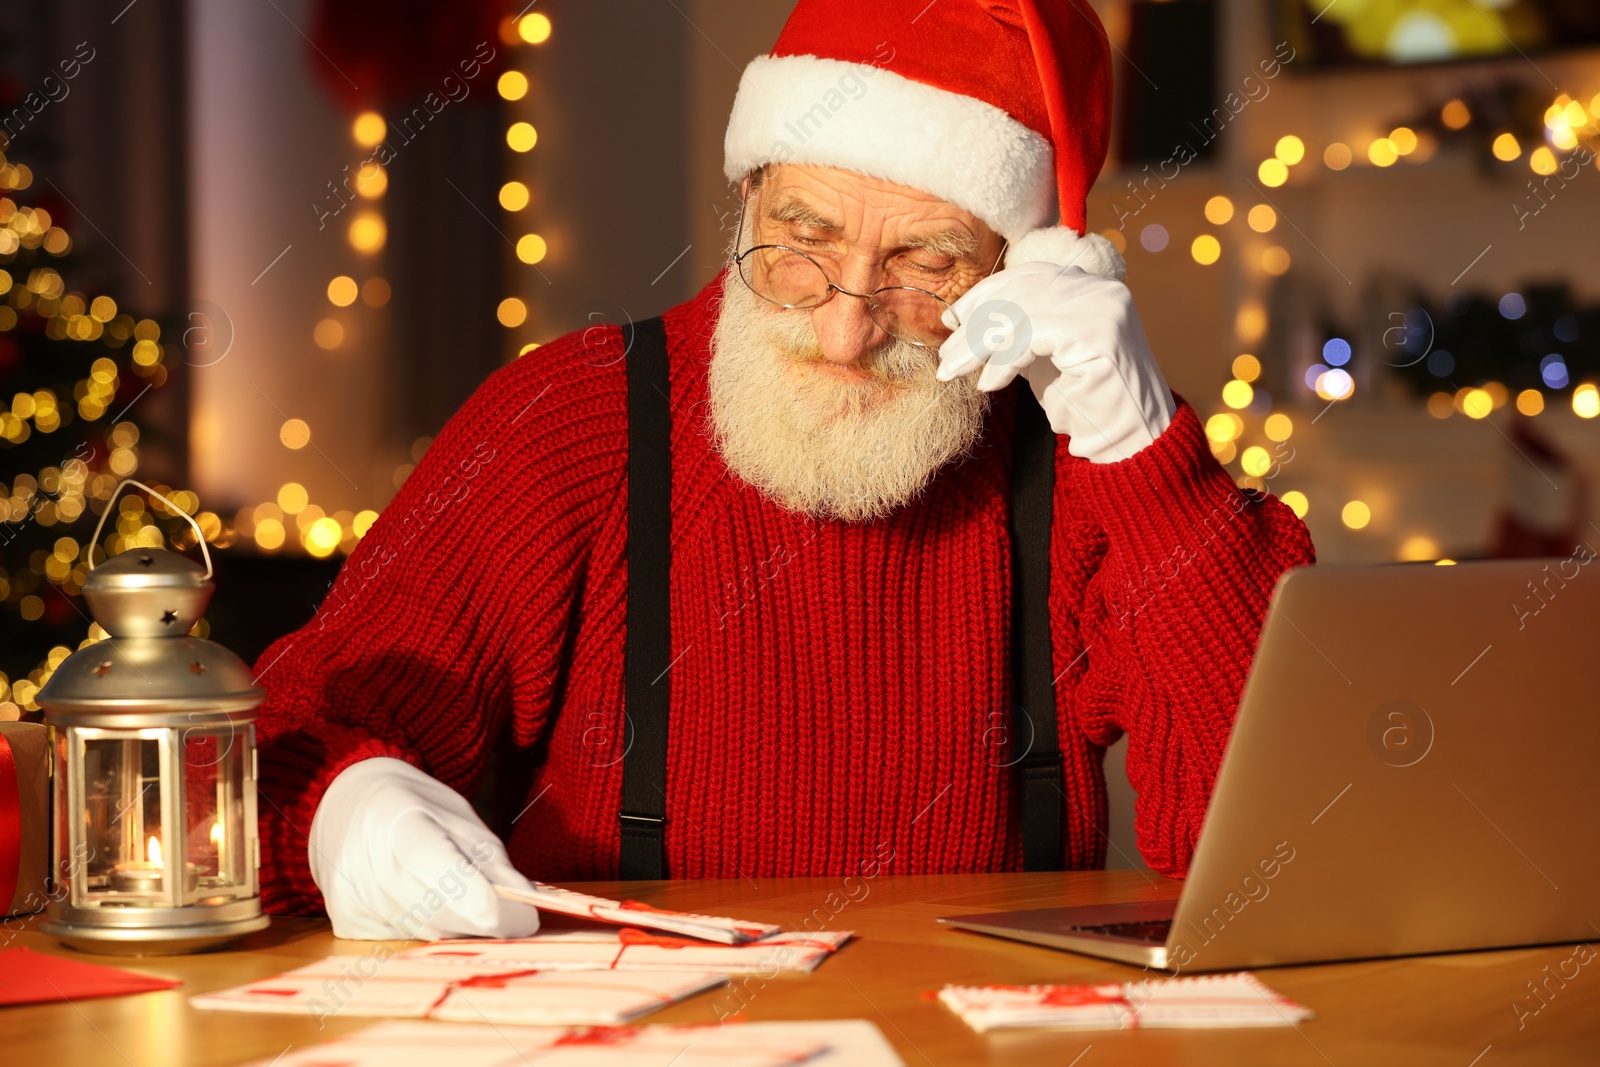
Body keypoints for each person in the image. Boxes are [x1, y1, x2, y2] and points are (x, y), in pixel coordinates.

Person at [253, 0, 1315, 940]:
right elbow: (264, 752)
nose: (846, 327)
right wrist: (340, 809)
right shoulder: (566, 425)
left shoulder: (1086, 466)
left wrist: (1146, 458)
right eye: (801, 235)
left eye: (927, 263)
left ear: (1021, 267)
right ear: (748, 193)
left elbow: (1287, 855)